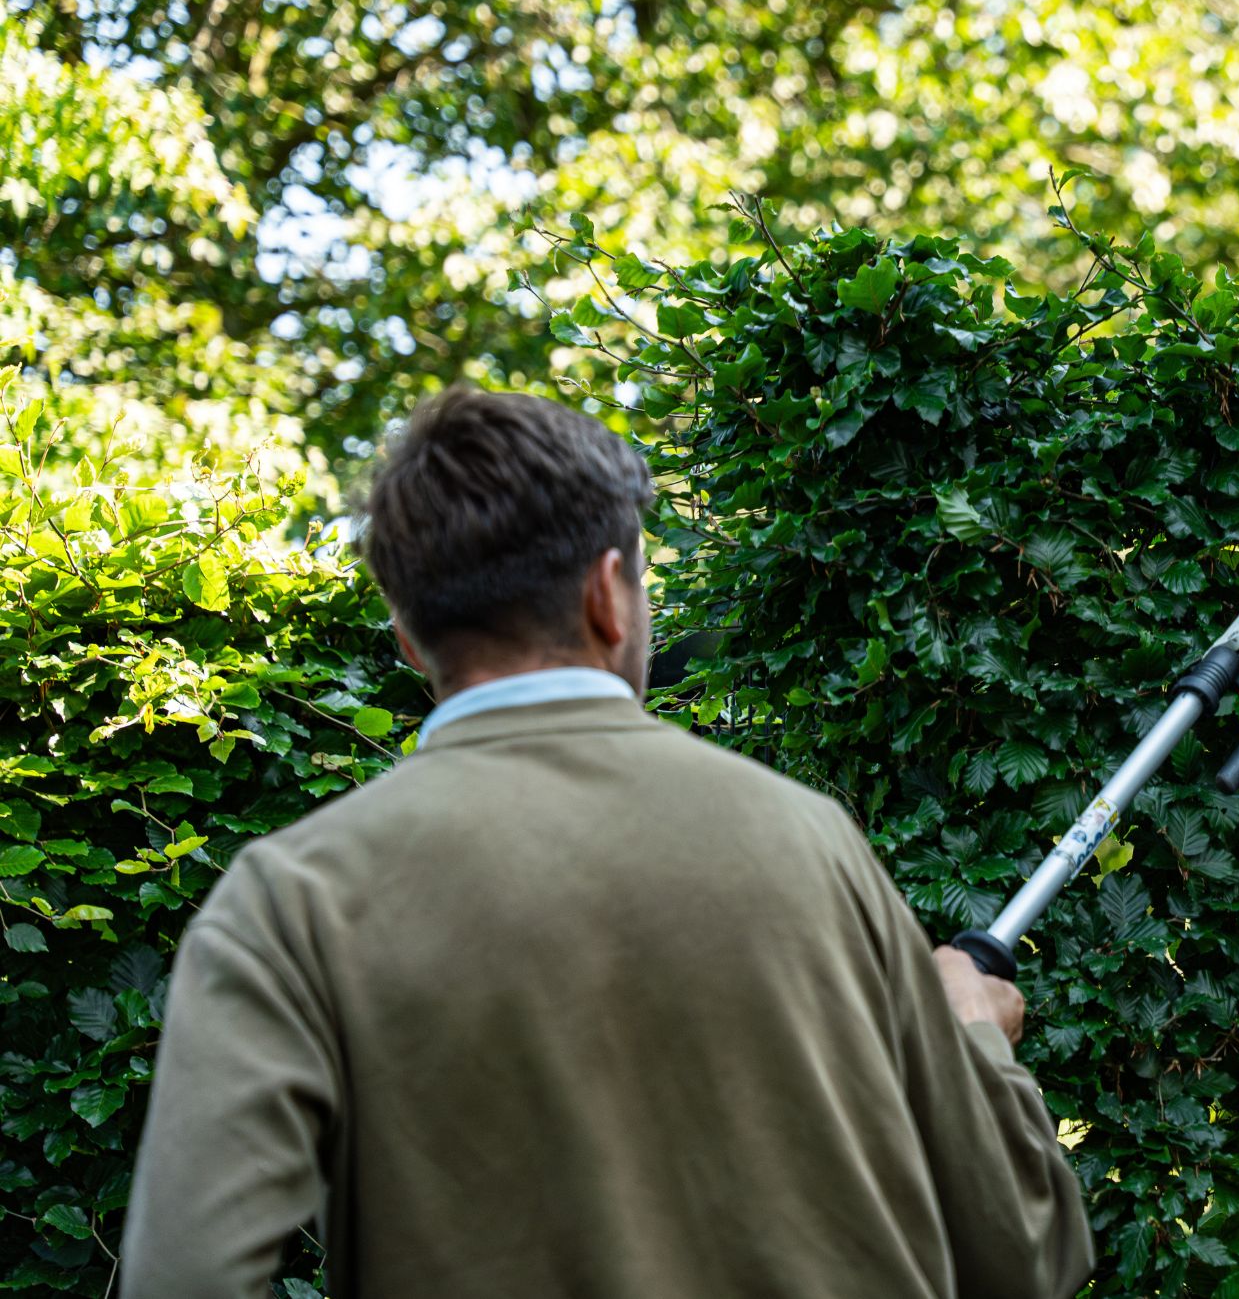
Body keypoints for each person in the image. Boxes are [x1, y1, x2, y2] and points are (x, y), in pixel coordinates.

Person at [121, 385, 1094, 1298]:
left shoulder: (290, 898)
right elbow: (1026, 1251)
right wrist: (972, 1030)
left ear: (411, 640)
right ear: (608, 593)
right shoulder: (814, 841)